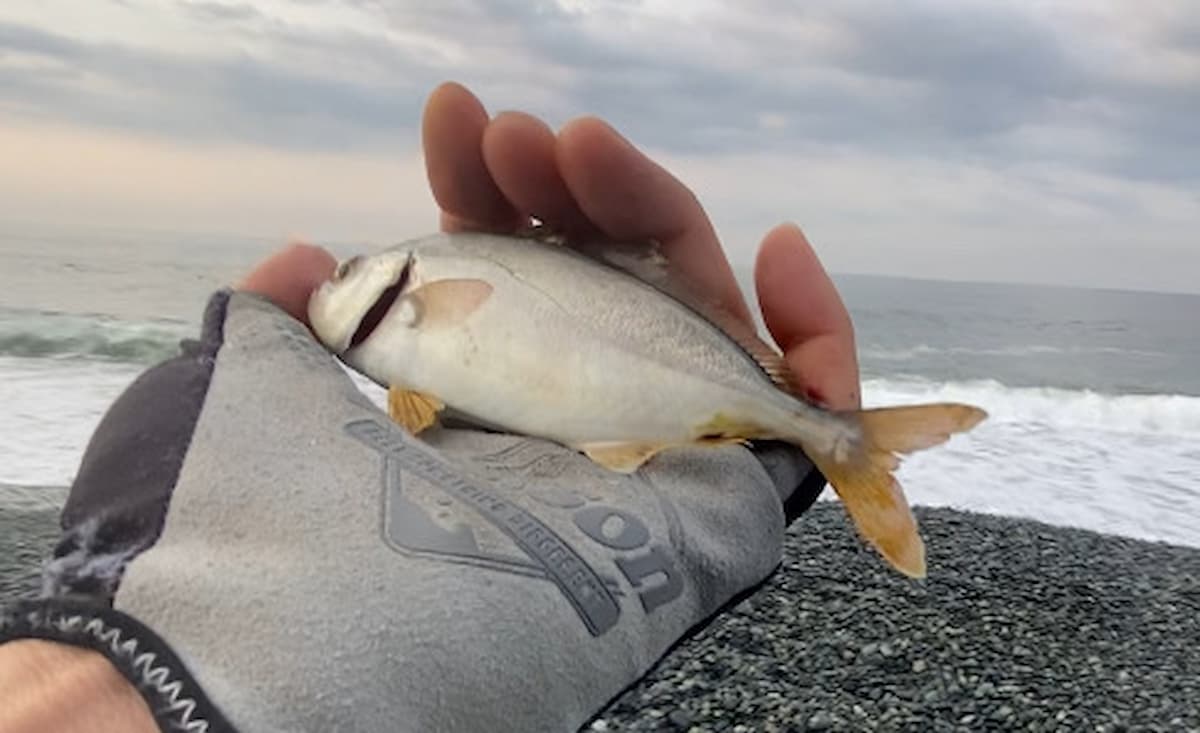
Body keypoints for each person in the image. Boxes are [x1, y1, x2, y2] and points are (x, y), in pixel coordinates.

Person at [0, 82, 860, 733]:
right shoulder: (410, 373)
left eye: (347, 273)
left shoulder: (425, 272)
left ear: (395, 280)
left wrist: (136, 667)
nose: (328, 283)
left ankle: (836, 446)